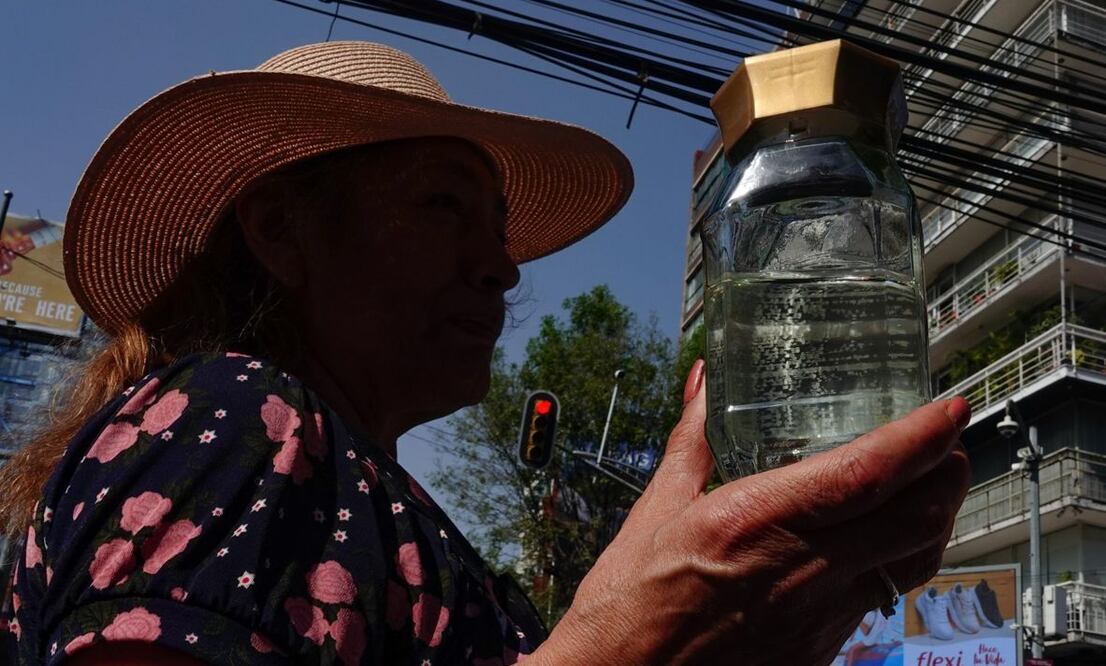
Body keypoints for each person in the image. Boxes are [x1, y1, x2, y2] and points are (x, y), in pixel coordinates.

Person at [0, 41, 971, 665]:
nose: (501, 267)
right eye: (441, 205)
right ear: (282, 229)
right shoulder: (232, 425)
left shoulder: (338, 478)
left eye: (498, 225)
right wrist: (621, 648)